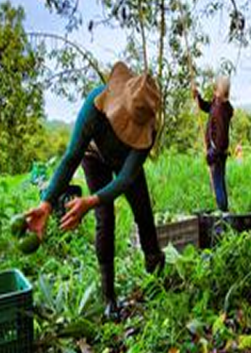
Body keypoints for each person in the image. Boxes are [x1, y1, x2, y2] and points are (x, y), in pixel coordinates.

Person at [25, 62, 165, 319]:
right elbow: (71, 158)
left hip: (126, 164)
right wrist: (46, 204)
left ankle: (157, 281)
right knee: (105, 218)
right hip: (95, 157)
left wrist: (90, 200)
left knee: (144, 214)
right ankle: (109, 297)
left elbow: (124, 179)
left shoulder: (147, 128)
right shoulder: (95, 104)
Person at [193, 76, 233, 212]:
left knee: (218, 183)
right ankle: (223, 210)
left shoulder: (222, 111)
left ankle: (223, 212)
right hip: (216, 151)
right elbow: (207, 107)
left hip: (218, 152)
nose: (214, 93)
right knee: (219, 180)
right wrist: (198, 98)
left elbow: (221, 138)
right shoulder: (216, 103)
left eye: (216, 90)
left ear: (219, 92)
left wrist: (213, 154)